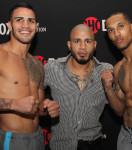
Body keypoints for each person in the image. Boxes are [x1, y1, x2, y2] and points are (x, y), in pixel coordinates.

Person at [0, 2, 59, 150]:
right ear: (9, 25)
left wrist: (47, 108)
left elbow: (37, 107)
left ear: (36, 27)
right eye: (19, 20)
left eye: (31, 20)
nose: (26, 25)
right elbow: (19, 104)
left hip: (37, 138)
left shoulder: (37, 64)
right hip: (11, 139)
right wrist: (14, 104)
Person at [44, 24, 113, 150]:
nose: (82, 47)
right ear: (69, 45)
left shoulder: (106, 70)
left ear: (95, 44)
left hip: (94, 144)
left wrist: (108, 88)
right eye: (77, 41)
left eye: (88, 41)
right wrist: (44, 105)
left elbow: (120, 109)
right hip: (60, 145)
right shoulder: (52, 68)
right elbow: (32, 97)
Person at [101, 11, 132, 150]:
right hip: (125, 136)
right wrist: (108, 88)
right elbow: (120, 111)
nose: (116, 34)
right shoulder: (118, 68)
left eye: (120, 26)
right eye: (111, 30)